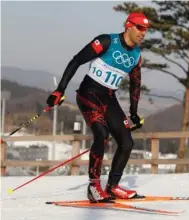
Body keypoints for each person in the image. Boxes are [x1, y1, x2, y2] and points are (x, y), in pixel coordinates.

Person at [46, 12, 149, 202]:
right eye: (140, 28)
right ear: (128, 25)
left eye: (146, 29)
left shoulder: (136, 56)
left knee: (127, 143)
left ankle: (113, 187)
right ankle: (94, 186)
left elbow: (135, 85)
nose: (143, 33)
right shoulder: (106, 41)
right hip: (88, 92)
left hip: (108, 97)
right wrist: (59, 90)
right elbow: (77, 60)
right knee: (101, 134)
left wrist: (133, 113)